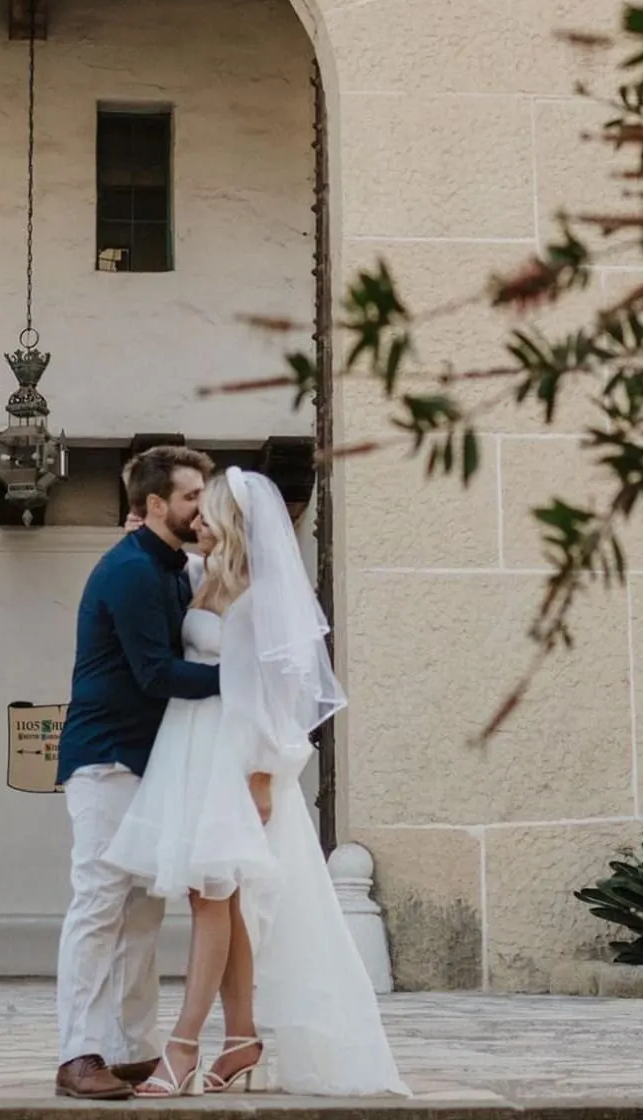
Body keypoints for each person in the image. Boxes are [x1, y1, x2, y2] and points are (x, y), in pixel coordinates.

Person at [104, 467, 410, 1098]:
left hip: (235, 759)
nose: (199, 521)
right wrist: (138, 532)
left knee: (213, 899)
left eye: (209, 512)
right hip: (190, 750)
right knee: (218, 902)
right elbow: (170, 578)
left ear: (234, 523)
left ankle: (183, 1045)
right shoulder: (202, 577)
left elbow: (282, 697)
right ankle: (240, 1036)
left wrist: (265, 775)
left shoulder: (261, 596)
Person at [54, 445, 217, 1100]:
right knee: (99, 905)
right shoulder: (129, 572)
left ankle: (129, 1049)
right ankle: (78, 1054)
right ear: (153, 505)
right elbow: (155, 673)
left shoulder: (172, 566)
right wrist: (245, 682)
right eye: (190, 498)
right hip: (107, 761)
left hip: (150, 765)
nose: (201, 507)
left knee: (144, 909)